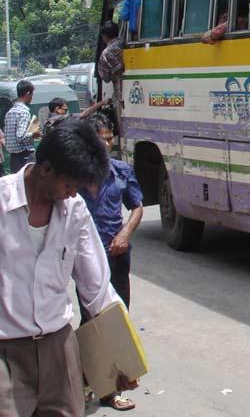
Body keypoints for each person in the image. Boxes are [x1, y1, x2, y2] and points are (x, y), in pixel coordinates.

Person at [0, 119, 138, 416]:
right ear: (46, 169)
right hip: (6, 353)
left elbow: (98, 289)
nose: (73, 194)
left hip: (59, 348)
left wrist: (121, 354)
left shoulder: (75, 211)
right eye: (69, 185)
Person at [78, 113, 144, 411]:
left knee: (117, 319)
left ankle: (109, 387)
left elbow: (138, 206)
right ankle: (89, 383)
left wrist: (125, 234)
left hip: (117, 256)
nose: (107, 143)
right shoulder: (77, 175)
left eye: (109, 137)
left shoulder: (121, 171)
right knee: (90, 320)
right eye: (101, 138)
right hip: (85, 260)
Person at [4, 80, 41, 174]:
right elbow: (21, 136)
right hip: (24, 156)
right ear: (28, 93)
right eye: (32, 94)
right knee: (27, 185)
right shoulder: (23, 112)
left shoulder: (10, 112)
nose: (32, 97)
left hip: (14, 157)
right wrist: (34, 134)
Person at [98, 21, 125, 128]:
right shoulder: (125, 42)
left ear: (104, 36)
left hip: (121, 93)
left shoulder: (106, 53)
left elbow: (106, 78)